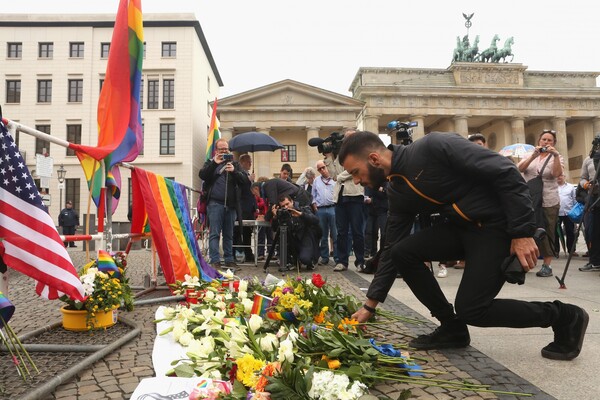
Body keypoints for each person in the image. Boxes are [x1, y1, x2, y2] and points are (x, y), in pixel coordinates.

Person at [341, 130, 588, 361]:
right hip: (464, 228)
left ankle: (564, 315)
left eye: (355, 172)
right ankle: (451, 328)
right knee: (401, 252)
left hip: (498, 228)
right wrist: (369, 305)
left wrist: (522, 233)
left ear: (374, 159)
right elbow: (390, 246)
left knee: (473, 310)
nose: (356, 180)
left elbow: (505, 171)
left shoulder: (432, 146)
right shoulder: (398, 190)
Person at [517, 129, 564, 277]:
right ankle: (525, 262)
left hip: (548, 200)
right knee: (527, 229)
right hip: (529, 199)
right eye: (544, 139)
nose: (546, 142)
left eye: (550, 140)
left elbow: (557, 174)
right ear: (539, 141)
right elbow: (520, 169)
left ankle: (547, 265)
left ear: (554, 143)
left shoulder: (557, 157)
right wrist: (533, 156)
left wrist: (555, 155)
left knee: (547, 231)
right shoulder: (530, 155)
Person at [199, 138, 245, 270]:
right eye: (221, 149)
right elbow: (202, 175)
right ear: (216, 150)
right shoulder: (210, 163)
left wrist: (234, 172)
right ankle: (215, 260)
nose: (224, 151)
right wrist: (214, 163)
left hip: (231, 205)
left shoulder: (235, 165)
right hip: (215, 204)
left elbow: (245, 181)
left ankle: (229, 260)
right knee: (214, 233)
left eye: (226, 149)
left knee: (229, 234)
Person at [267, 194, 320, 271]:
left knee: (305, 259)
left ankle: (311, 260)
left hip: (304, 238)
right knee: (282, 240)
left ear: (292, 201)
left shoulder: (302, 208)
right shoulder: (282, 213)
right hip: (291, 242)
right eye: (283, 206)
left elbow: (315, 220)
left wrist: (300, 214)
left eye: (287, 204)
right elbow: (275, 229)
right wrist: (275, 217)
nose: (286, 207)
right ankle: (292, 261)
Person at [312, 160, 337, 267]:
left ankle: (337, 257)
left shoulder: (335, 179)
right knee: (323, 235)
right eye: (319, 169)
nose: (322, 170)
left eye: (323, 167)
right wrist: (315, 206)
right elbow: (313, 195)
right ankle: (324, 257)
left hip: (333, 208)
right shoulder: (316, 181)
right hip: (321, 209)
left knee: (335, 234)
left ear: (326, 166)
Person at [233, 154, 257, 263]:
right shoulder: (239, 173)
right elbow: (241, 185)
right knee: (237, 231)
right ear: (243, 162)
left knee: (248, 232)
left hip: (249, 208)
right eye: (248, 162)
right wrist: (248, 179)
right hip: (241, 208)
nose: (250, 164)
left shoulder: (247, 174)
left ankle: (248, 253)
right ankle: (234, 253)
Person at [579, 152, 600, 271]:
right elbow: (583, 178)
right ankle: (595, 261)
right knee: (592, 231)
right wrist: (586, 184)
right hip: (594, 196)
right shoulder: (589, 159)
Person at [556, 174, 577, 257]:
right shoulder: (553, 187)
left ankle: (571, 250)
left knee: (570, 232)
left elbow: (574, 200)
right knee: (556, 233)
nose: (559, 177)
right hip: (556, 213)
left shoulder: (571, 187)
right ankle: (556, 250)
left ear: (565, 177)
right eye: (558, 176)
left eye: (561, 175)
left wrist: (574, 212)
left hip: (568, 213)